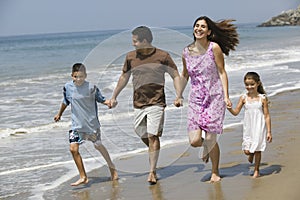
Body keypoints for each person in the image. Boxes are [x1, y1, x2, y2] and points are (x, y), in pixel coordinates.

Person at [109, 26, 182, 184]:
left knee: (152, 135)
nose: (133, 44)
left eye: (135, 41)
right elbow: (124, 77)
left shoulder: (163, 56)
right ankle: (154, 150)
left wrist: (179, 95)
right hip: (138, 103)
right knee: (140, 132)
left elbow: (175, 75)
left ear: (145, 41)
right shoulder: (130, 57)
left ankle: (152, 172)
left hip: (157, 102)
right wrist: (114, 96)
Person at [174, 16, 239, 182]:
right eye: (197, 26)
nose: (199, 29)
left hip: (215, 97)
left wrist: (226, 96)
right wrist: (179, 94)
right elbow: (184, 75)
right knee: (195, 140)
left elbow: (222, 72)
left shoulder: (214, 48)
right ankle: (206, 147)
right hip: (195, 99)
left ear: (209, 31)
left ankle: (215, 172)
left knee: (211, 137)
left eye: (203, 26)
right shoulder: (186, 52)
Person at [54, 63, 118, 186]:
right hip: (76, 125)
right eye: (76, 77)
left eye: (81, 77)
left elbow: (101, 99)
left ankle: (112, 167)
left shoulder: (91, 87)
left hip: (91, 125)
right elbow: (65, 101)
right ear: (72, 75)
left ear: (86, 76)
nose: (78, 79)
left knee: (98, 146)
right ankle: (83, 176)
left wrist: (110, 103)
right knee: (73, 149)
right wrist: (59, 114)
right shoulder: (67, 87)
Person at [227, 72, 272, 178]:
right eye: (247, 85)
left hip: (259, 127)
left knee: (258, 149)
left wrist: (269, 131)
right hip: (248, 127)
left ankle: (256, 170)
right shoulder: (243, 98)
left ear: (258, 83)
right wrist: (229, 109)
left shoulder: (262, 98)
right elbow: (236, 112)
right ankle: (250, 154)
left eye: (252, 84)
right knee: (247, 151)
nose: (249, 87)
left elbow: (267, 116)